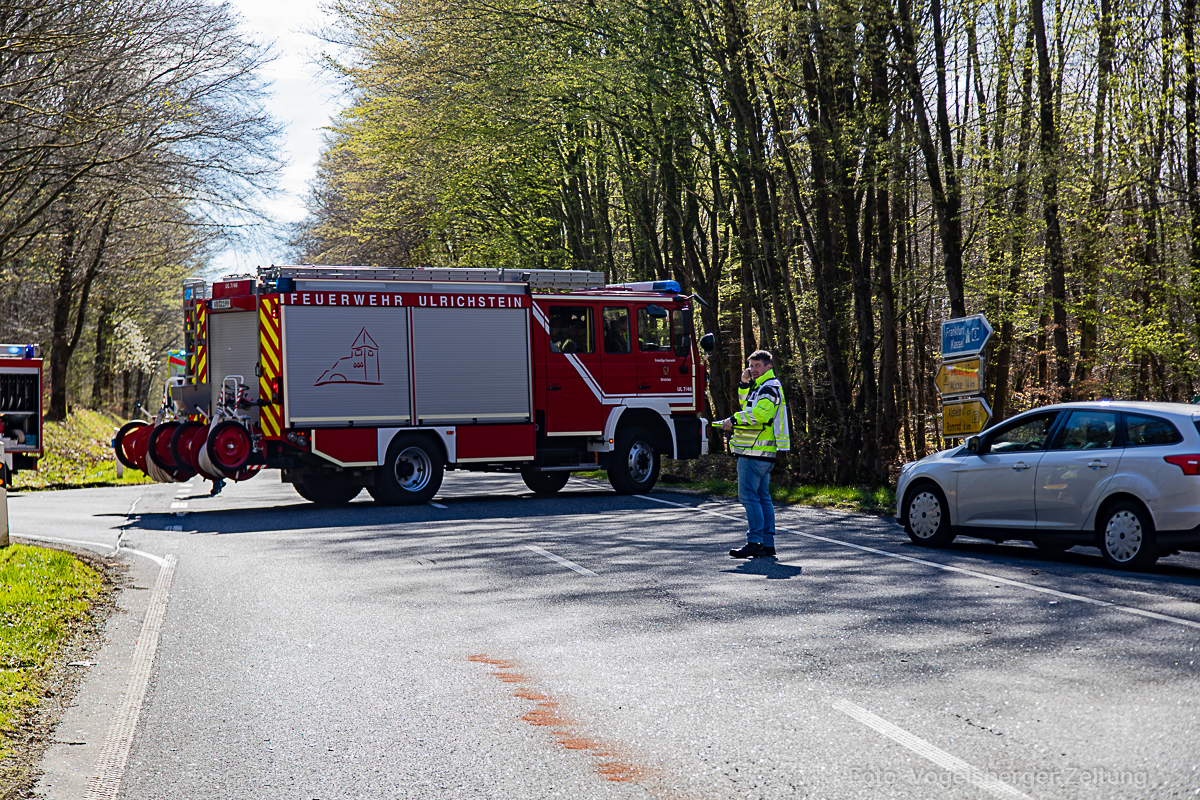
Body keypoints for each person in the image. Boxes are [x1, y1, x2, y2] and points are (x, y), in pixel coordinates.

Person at [719, 350, 790, 558]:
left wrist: (733, 419)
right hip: (761, 452)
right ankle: (767, 544)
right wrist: (744, 383)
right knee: (762, 498)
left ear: (769, 366)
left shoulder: (768, 387)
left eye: (758, 365)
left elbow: (759, 415)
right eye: (751, 365)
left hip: (754, 452)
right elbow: (747, 406)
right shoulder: (761, 386)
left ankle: (755, 541)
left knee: (749, 497)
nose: (754, 369)